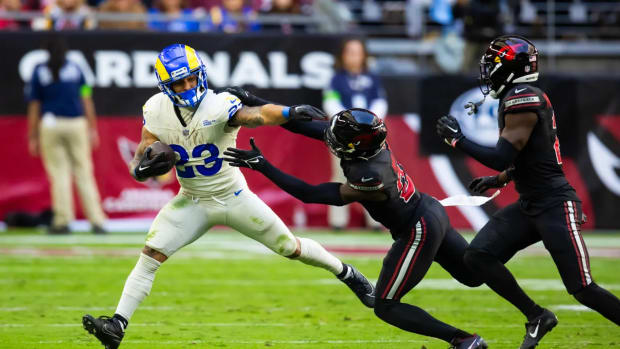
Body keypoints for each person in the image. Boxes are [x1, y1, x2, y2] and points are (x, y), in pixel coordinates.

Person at [81, 44, 374, 349]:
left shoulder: (218, 104)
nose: (188, 86)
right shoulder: (156, 108)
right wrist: (139, 169)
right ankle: (117, 324)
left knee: (290, 246)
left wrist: (288, 112)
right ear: (166, 87)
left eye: (192, 78)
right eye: (179, 83)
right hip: (192, 200)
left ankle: (348, 273)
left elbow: (257, 115)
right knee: (150, 256)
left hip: (233, 197)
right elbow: (143, 148)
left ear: (201, 75)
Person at [221, 89, 487, 348]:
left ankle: (463, 340)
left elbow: (311, 194)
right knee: (473, 276)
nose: (331, 138)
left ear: (355, 146)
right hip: (429, 210)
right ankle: (523, 307)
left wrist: (264, 166)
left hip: (418, 228)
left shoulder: (370, 175)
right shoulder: (367, 144)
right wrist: (253, 99)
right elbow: (301, 127)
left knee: (385, 306)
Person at [435, 35, 620, 349]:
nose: (487, 71)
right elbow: (532, 155)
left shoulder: (523, 97)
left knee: (583, 288)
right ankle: (537, 316)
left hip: (555, 204)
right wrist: (501, 179)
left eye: (492, 65)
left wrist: (458, 141)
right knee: (479, 255)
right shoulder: (518, 95)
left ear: (511, 67)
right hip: (532, 203)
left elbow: (501, 154)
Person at [26, 37, 106, 235]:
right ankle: (97, 220)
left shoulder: (39, 71)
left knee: (59, 174)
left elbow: (34, 105)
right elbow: (86, 98)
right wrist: (92, 127)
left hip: (50, 125)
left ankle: (62, 221)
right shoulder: (76, 69)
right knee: (84, 173)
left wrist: (32, 136)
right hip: (76, 123)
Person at [323, 38, 387, 230]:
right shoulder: (336, 79)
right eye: (350, 52)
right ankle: (338, 221)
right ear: (343, 55)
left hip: (370, 135)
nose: (354, 56)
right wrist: (349, 123)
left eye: (357, 52)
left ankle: (376, 220)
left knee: (374, 174)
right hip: (343, 135)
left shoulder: (373, 78)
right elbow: (330, 102)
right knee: (340, 174)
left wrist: (370, 123)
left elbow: (380, 102)